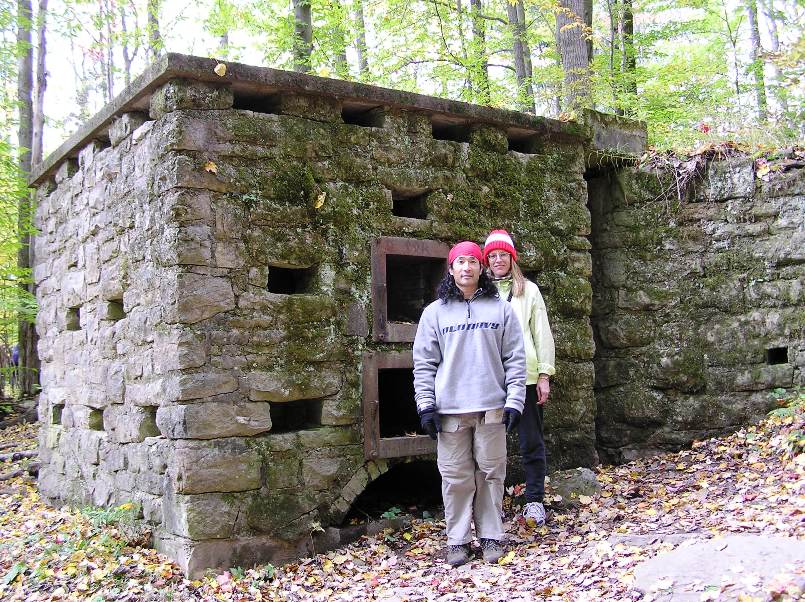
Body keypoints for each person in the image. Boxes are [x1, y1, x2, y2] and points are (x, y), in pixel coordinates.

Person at [413, 241, 526, 567]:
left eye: (472, 262)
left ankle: (491, 536)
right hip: (450, 412)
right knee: (455, 477)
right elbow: (424, 363)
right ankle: (458, 541)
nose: (466, 268)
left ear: (481, 268)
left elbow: (515, 359)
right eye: (460, 262)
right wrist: (426, 405)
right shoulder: (434, 313)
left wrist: (515, 400)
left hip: (492, 407)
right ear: (451, 269)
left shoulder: (501, 309)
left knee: (491, 473)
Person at [483, 229, 556, 527]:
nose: (498, 260)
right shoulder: (479, 292)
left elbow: (542, 333)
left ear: (512, 258)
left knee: (530, 442)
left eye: (503, 255)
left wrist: (544, 374)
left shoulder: (529, 291)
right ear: (486, 260)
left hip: (524, 379)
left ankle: (535, 501)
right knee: (488, 446)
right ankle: (490, 506)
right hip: (490, 380)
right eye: (493, 255)